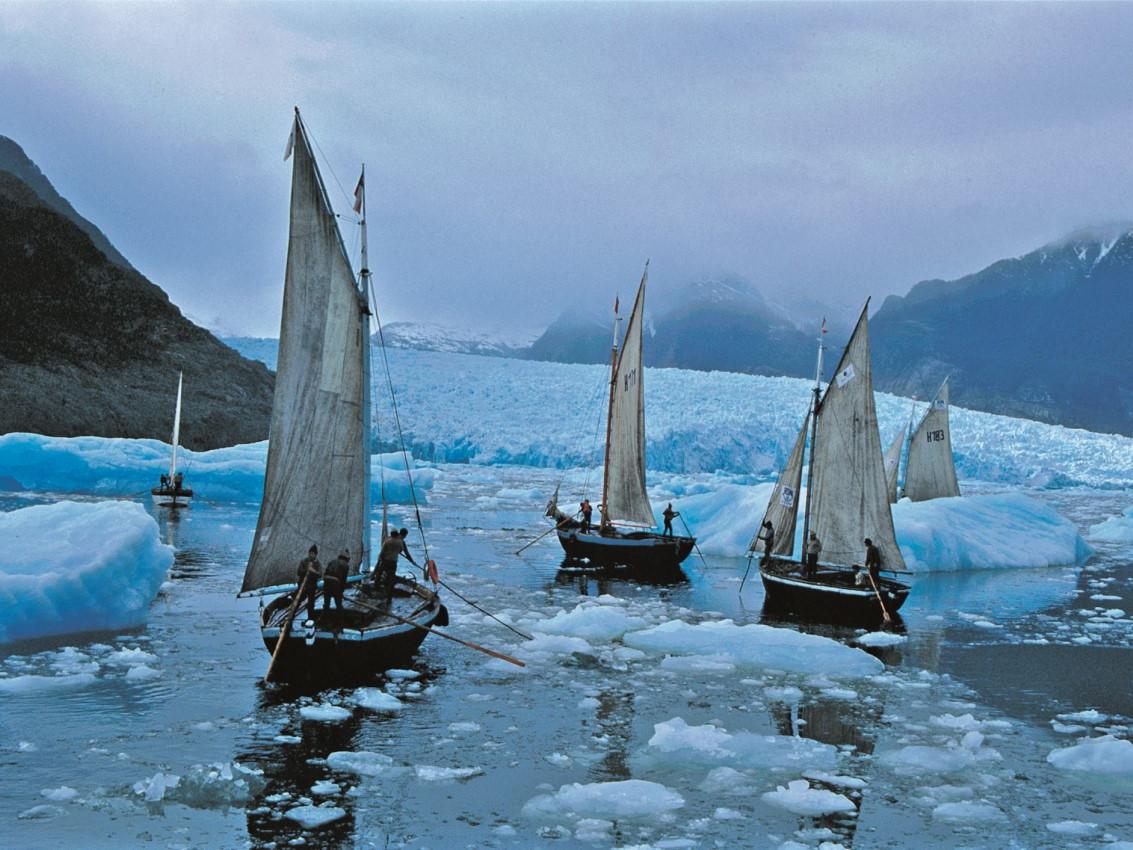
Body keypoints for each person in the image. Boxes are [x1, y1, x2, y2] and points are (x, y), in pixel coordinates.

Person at [323, 548, 350, 630]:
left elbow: (326, 572)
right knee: (338, 604)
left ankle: (326, 621)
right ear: (347, 559)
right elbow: (343, 580)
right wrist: (341, 591)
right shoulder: (345, 565)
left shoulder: (332, 561)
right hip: (335, 582)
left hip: (326, 580)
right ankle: (340, 623)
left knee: (326, 603)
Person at [295, 544, 322, 622]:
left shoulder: (317, 563)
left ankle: (310, 620)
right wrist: (306, 570)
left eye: (313, 554)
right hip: (302, 586)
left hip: (312, 586)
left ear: (316, 555)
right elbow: (298, 572)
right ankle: (290, 619)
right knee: (297, 602)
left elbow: (320, 574)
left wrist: (312, 571)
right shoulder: (304, 561)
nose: (311, 555)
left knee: (311, 604)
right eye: (310, 553)